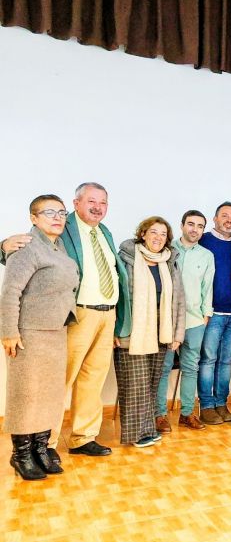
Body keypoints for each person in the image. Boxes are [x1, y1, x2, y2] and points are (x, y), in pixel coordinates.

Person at [2, 182, 132, 459]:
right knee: (57, 381)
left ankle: (83, 437)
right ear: (76, 204)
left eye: (103, 202)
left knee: (93, 379)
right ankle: (45, 443)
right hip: (76, 315)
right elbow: (27, 250)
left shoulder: (104, 232)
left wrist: (119, 318)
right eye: (91, 201)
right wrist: (2, 246)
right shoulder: (62, 226)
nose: (97, 207)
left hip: (107, 313)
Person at [1, 195, 79, 479]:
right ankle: (21, 455)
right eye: (49, 212)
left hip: (55, 331)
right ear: (33, 218)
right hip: (29, 334)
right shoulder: (26, 246)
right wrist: (9, 332)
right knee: (26, 395)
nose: (57, 217)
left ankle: (40, 449)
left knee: (49, 394)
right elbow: (10, 292)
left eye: (61, 212)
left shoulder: (58, 248)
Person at [115, 217, 186, 447]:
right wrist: (115, 329)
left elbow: (179, 299)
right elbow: (116, 295)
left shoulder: (169, 262)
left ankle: (147, 428)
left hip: (161, 328)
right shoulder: (126, 259)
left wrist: (177, 334)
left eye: (163, 234)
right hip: (133, 329)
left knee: (152, 381)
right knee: (135, 382)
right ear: (143, 234)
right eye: (153, 232)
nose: (158, 237)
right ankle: (137, 434)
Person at [156, 210, 215, 433]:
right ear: (181, 226)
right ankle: (160, 415)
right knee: (163, 368)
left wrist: (205, 315)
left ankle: (187, 413)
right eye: (191, 224)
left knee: (191, 368)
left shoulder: (206, 255)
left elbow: (207, 287)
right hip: (168, 320)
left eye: (200, 226)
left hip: (195, 320)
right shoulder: (166, 249)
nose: (195, 229)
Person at [197, 202, 231, 425]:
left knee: (226, 361)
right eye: (224, 215)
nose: (229, 220)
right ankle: (206, 406)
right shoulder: (203, 241)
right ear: (215, 219)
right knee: (208, 360)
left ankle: (220, 403)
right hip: (211, 313)